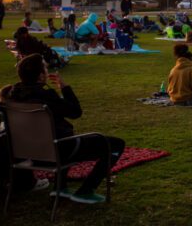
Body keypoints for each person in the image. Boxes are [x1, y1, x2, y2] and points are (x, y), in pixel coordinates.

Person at [9, 54, 125, 204]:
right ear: (40, 76)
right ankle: (86, 190)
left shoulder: (13, 96)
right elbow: (75, 112)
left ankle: (60, 188)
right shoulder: (45, 96)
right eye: (45, 67)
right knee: (116, 144)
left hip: (29, 154)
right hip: (58, 151)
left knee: (57, 136)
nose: (47, 70)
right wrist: (65, 88)